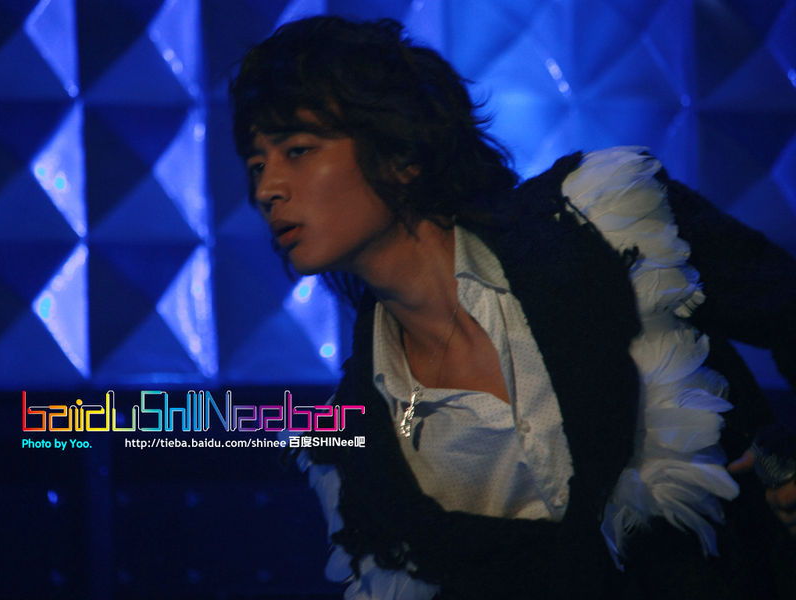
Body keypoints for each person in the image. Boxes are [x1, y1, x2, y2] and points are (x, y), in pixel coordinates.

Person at [230, 16, 796, 599]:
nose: (267, 190)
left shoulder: (601, 222)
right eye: (256, 166)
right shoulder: (360, 449)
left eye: (298, 150)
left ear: (400, 151)